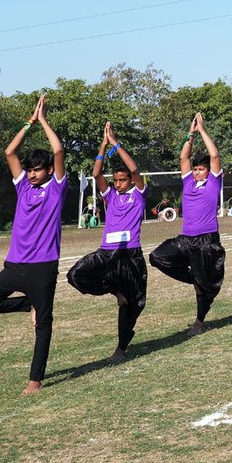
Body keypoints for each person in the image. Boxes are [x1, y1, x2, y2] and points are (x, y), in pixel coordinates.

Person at [0, 94, 69, 394]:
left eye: (38, 169)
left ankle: (35, 380)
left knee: (43, 325)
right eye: (29, 169)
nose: (32, 172)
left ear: (49, 171)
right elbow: (9, 151)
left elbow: (58, 149)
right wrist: (29, 122)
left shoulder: (56, 188)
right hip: (14, 264)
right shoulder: (24, 186)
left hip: (43, 267)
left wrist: (44, 121)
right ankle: (28, 303)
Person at [66, 122, 150, 363]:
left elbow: (134, 168)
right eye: (116, 180)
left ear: (131, 181)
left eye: (122, 180)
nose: (118, 183)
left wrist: (116, 144)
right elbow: (96, 174)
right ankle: (115, 290)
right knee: (76, 275)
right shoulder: (110, 196)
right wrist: (103, 146)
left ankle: (121, 348)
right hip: (107, 252)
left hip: (130, 254)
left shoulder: (138, 195)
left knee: (135, 303)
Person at [149, 113, 226, 335]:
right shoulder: (188, 182)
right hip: (186, 238)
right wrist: (190, 135)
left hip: (207, 240)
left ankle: (199, 322)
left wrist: (202, 130)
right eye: (195, 169)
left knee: (204, 291)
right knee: (157, 257)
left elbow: (215, 155)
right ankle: (194, 278)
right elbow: (184, 159)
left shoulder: (213, 182)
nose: (196, 172)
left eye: (200, 169)